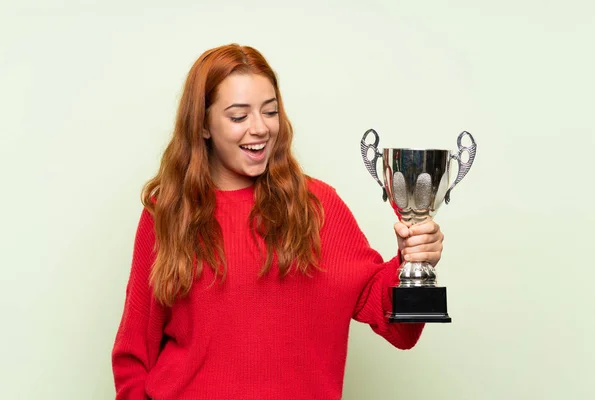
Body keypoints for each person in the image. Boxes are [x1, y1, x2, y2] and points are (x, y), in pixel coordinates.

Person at [111, 43, 444, 400]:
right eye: (238, 117)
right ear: (203, 125)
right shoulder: (169, 211)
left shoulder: (319, 206)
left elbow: (398, 330)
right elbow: (134, 355)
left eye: (269, 112)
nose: (259, 129)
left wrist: (415, 261)